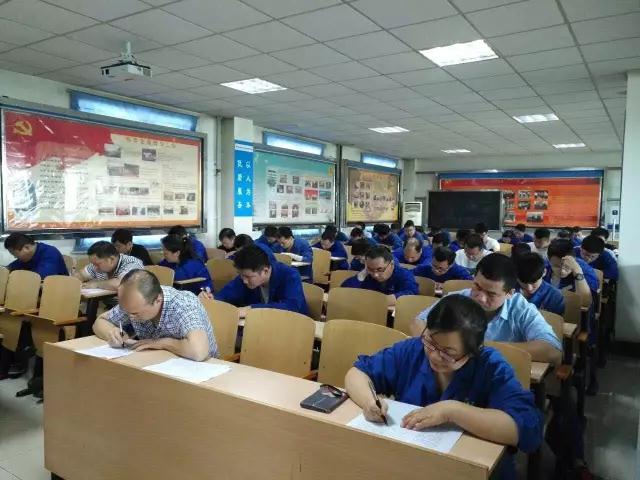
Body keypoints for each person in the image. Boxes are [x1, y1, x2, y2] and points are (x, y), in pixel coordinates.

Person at [346, 294, 543, 480]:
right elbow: (358, 372)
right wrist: (369, 402)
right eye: (430, 343)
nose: (434, 355)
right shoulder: (412, 350)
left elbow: (527, 429)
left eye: (448, 352)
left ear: (473, 351)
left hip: (472, 469)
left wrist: (453, 411)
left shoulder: (491, 367)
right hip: (414, 462)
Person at [414, 253, 562, 365]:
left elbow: (553, 350)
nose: (481, 298)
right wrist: (438, 346)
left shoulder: (521, 309)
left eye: (491, 294)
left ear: (510, 293)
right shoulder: (457, 298)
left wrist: (478, 348)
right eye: (477, 287)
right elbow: (418, 322)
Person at [93, 269, 217, 361]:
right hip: (156, 362)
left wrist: (162, 343)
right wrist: (113, 333)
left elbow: (198, 351)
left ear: (157, 300)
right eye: (127, 311)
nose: (130, 316)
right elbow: (100, 322)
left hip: (200, 369)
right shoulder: (132, 302)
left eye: (135, 313)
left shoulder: (183, 304)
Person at [211, 245, 308, 315]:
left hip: (293, 326)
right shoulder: (245, 276)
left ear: (265, 271)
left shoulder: (290, 276)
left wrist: (252, 309)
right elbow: (226, 294)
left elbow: (291, 306)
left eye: (248, 277)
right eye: (241, 275)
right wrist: (212, 300)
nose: (244, 281)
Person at [342, 246, 418, 306]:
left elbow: (411, 293)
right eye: (371, 269)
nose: (375, 275)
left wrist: (379, 300)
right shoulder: (368, 274)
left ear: (391, 264)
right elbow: (345, 291)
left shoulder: (404, 275)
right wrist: (362, 274)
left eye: (380, 269)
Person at [545, 239, 598, 308]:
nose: (562, 271)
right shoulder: (544, 267)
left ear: (574, 259)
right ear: (549, 260)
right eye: (556, 266)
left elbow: (585, 303)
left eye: (566, 266)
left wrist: (577, 271)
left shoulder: (586, 270)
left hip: (573, 311)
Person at [74, 241, 143, 291]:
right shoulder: (96, 264)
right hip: (104, 303)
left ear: (111, 259)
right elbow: (80, 274)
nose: (95, 268)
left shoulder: (132, 263)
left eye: (97, 264)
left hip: (129, 306)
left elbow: (122, 284)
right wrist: (77, 282)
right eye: (93, 264)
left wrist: (96, 284)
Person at [4, 233, 68, 278]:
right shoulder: (25, 258)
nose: (15, 257)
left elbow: (42, 276)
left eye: (15, 254)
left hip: (58, 290)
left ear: (27, 248)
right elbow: (8, 269)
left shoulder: (50, 253)